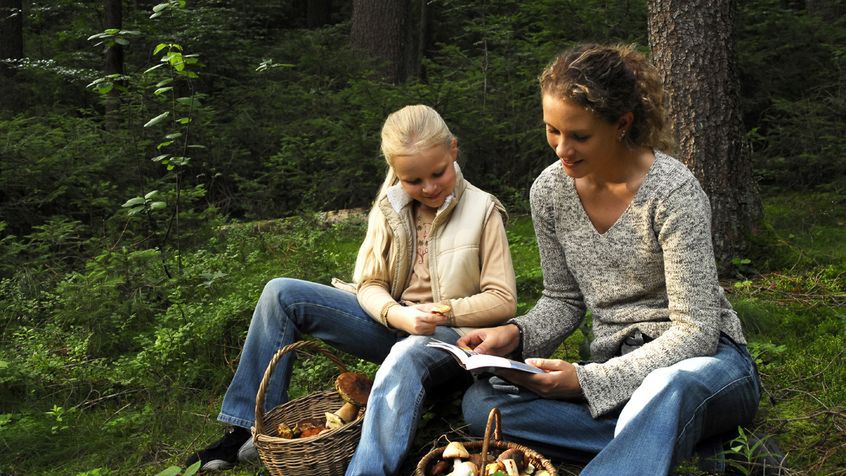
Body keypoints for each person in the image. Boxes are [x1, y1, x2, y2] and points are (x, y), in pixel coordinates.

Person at [458, 44, 761, 475]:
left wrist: (587, 383)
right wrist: (514, 333)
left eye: (580, 136)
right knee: (482, 403)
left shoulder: (673, 192)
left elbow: (696, 331)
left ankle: (663, 429)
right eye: (552, 131)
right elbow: (562, 299)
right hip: (613, 363)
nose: (562, 149)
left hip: (706, 366)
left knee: (666, 390)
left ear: (622, 124)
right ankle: (679, 441)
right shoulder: (550, 192)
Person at [186, 104, 517, 474]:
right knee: (281, 294)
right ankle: (246, 430)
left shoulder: (482, 210)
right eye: (413, 180)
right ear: (396, 170)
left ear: (453, 150)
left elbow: (502, 300)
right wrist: (398, 314)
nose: (428, 188)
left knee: (407, 352)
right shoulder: (389, 207)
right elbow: (370, 284)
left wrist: (443, 311)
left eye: (437, 174)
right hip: (395, 323)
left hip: (451, 341)